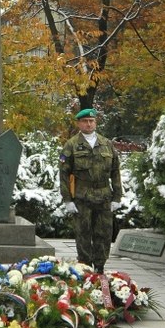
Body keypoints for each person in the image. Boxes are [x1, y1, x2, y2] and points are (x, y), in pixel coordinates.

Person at [58, 107, 122, 273]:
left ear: (95, 122)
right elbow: (64, 174)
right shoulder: (71, 145)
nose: (88, 124)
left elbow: (115, 172)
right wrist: (67, 200)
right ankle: (85, 269)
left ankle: (100, 268)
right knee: (83, 235)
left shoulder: (107, 144)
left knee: (104, 235)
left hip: (104, 197)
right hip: (82, 197)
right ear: (79, 123)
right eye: (85, 121)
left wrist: (117, 197)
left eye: (91, 121)